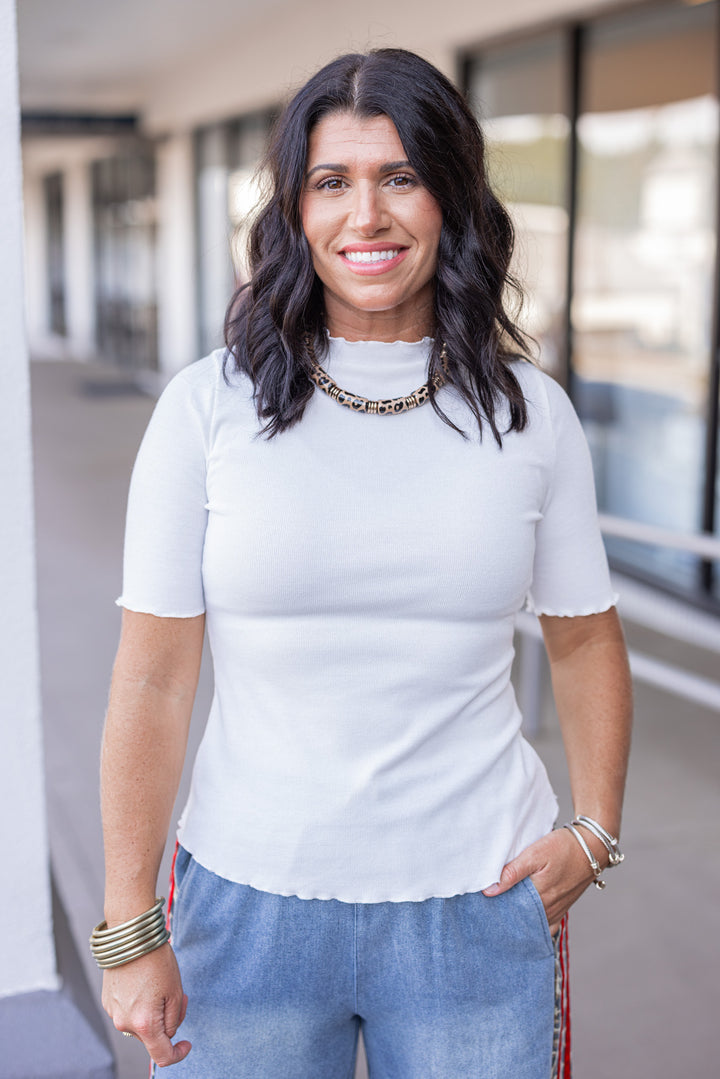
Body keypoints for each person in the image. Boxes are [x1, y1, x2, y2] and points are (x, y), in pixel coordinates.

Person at [96, 48, 632, 1079]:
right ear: (295, 209)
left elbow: (584, 635)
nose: (366, 216)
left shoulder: (531, 414)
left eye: (401, 177)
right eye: (332, 182)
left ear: (452, 197)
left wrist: (595, 829)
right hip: (245, 905)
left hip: (477, 901)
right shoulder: (208, 407)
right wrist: (130, 925)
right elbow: (153, 677)